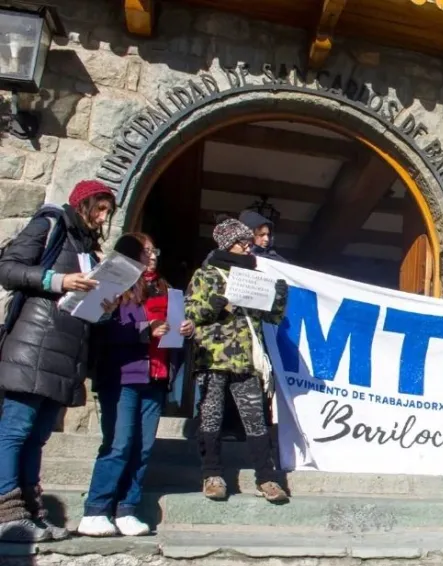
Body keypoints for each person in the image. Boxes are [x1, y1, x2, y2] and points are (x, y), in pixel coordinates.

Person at [0, 180, 116, 543]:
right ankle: (6, 514)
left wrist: (104, 307)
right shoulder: (50, 223)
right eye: (99, 209)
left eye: (108, 212)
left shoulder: (88, 249)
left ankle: (30, 512)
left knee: (38, 436)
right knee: (16, 429)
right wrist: (59, 279)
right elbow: (8, 269)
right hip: (32, 345)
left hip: (66, 352)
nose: (103, 218)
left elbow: (85, 307)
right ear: (82, 204)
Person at [78, 233, 195, 537]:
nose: (152, 256)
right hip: (123, 376)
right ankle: (96, 509)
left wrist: (185, 329)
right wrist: (147, 328)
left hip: (157, 376)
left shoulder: (166, 289)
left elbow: (173, 331)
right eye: (145, 251)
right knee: (119, 444)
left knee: (143, 448)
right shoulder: (115, 285)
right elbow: (103, 328)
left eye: (154, 251)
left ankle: (127, 509)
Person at [186, 218, 290, 503]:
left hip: (245, 359)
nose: (247, 247)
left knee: (255, 419)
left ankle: (267, 478)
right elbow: (190, 312)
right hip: (213, 358)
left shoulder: (253, 276)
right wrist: (215, 304)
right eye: (242, 242)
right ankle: (212, 475)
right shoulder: (206, 274)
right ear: (227, 244)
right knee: (211, 416)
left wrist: (279, 297)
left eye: (248, 242)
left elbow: (271, 317)